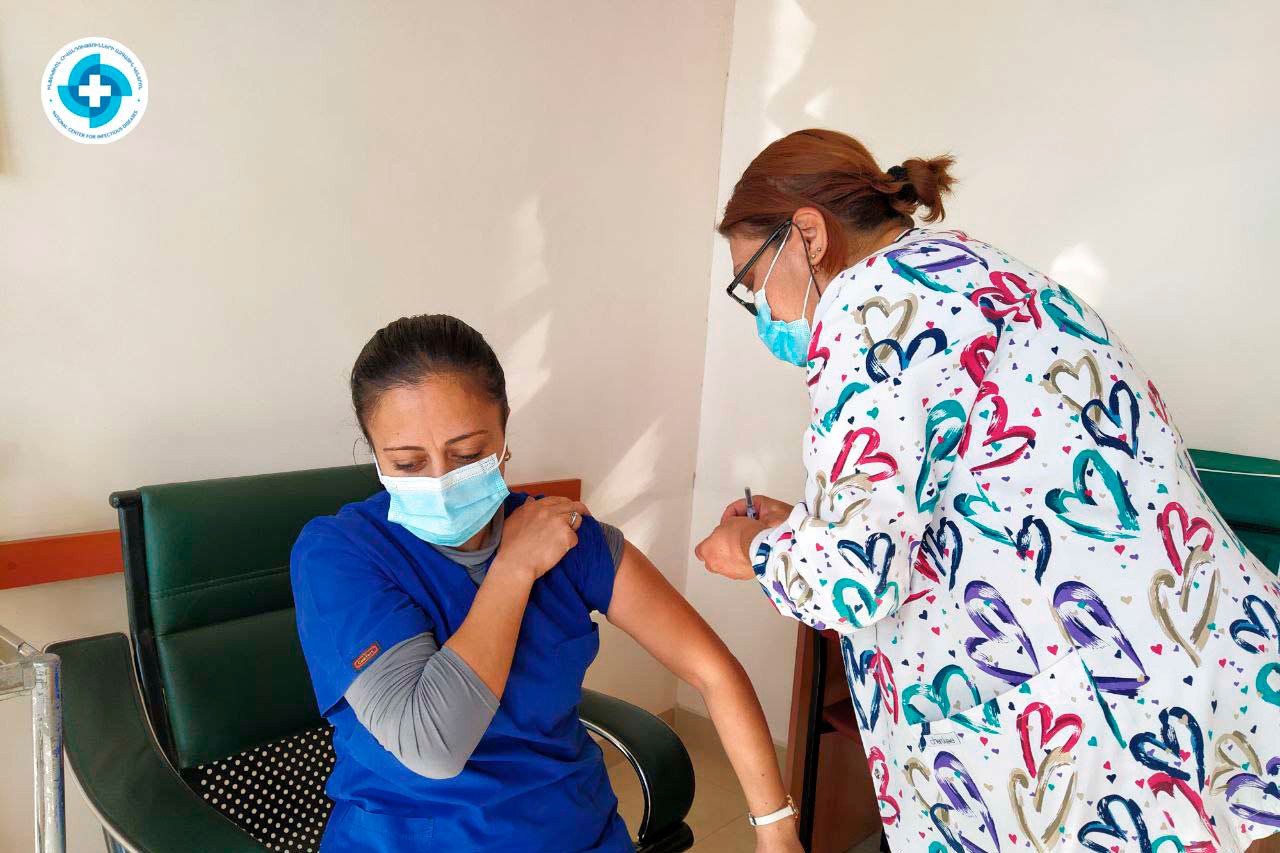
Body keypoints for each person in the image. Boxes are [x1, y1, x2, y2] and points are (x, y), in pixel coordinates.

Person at [695, 128, 1280, 852]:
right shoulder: (971, 268)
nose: (765, 312)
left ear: (808, 235)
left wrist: (752, 549)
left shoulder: (871, 308)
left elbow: (856, 580)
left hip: (1096, 700)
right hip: (1181, 654)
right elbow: (968, 490)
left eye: (753, 282)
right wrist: (802, 525)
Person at [291, 314, 804, 853]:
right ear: (375, 455)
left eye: (467, 454)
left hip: (572, 832)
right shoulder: (339, 553)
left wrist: (776, 830)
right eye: (408, 462)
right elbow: (432, 744)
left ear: (503, 432)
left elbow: (713, 671)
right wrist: (514, 567)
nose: (441, 481)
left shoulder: (568, 537)